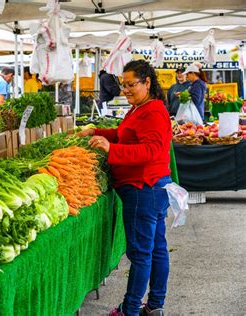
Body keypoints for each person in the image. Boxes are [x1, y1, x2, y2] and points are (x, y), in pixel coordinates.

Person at [77, 60, 172, 316]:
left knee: (141, 254)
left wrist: (112, 150)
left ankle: (130, 310)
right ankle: (154, 306)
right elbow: (124, 135)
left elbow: (151, 150)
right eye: (123, 85)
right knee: (155, 248)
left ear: (147, 82)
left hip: (144, 188)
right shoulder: (140, 108)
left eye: (131, 85)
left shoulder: (152, 111)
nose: (125, 90)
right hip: (152, 187)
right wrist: (95, 131)